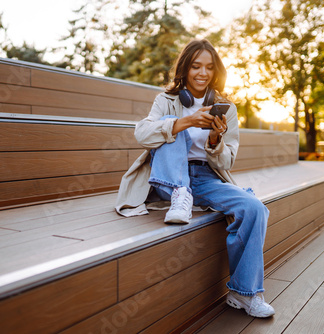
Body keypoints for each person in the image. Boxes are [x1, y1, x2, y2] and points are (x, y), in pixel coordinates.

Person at [115, 39, 275, 318]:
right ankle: (179, 193)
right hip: (167, 175)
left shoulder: (227, 108)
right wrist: (186, 122)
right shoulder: (166, 100)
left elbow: (227, 161)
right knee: (175, 132)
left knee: (254, 208)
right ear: (185, 68)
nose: (202, 73)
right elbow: (142, 134)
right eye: (196, 66)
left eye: (209, 68)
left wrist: (215, 138)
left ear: (216, 71)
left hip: (204, 177)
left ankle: (243, 292)